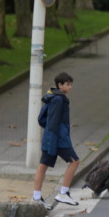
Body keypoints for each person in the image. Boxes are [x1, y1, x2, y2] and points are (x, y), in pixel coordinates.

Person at [33, 72, 80, 208]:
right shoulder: (59, 100)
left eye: (71, 84)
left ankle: (37, 197)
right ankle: (63, 193)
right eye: (68, 84)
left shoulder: (52, 97)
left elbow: (42, 119)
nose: (70, 87)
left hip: (51, 137)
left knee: (43, 165)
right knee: (74, 161)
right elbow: (53, 122)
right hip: (58, 139)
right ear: (60, 85)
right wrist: (54, 140)